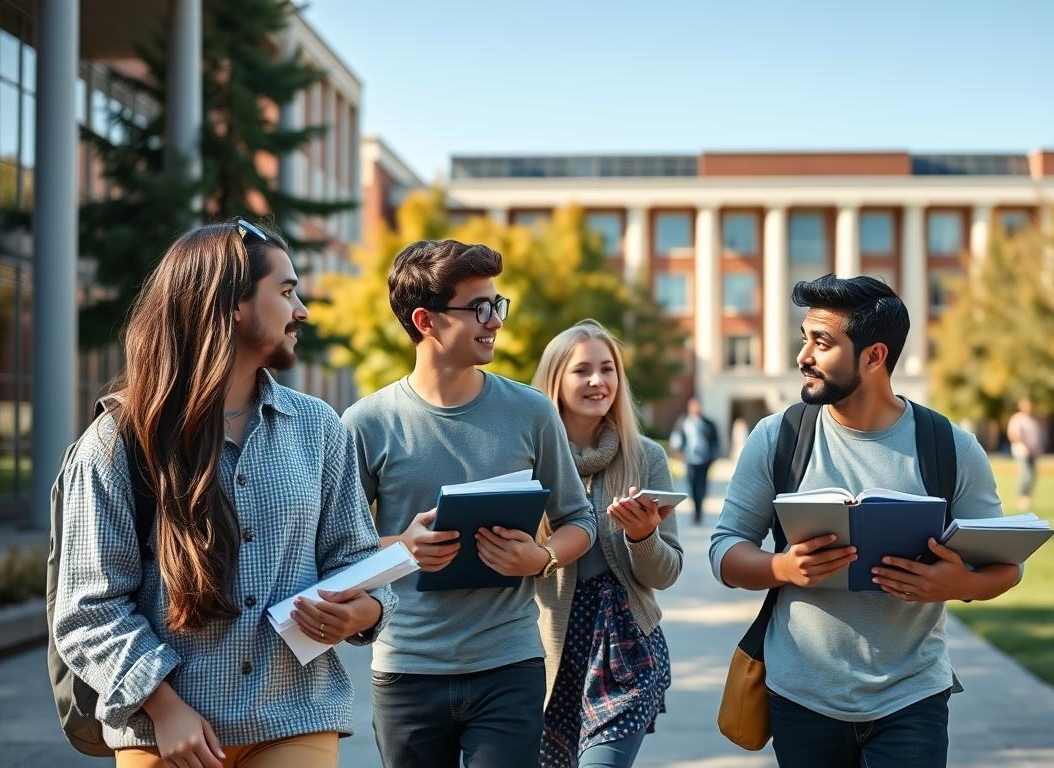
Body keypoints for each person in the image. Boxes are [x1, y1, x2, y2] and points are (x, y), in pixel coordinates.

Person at [53, 220, 395, 768]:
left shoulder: (318, 428)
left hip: (295, 716)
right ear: (232, 304)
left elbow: (353, 556)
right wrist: (164, 709)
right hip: (163, 733)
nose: (301, 310)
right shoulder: (118, 441)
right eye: (286, 292)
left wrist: (364, 610)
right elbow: (87, 608)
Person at [709, 274, 1020, 768]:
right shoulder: (778, 438)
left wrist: (959, 583)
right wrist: (781, 569)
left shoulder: (950, 447)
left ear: (874, 357)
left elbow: (1006, 567)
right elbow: (724, 551)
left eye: (822, 342)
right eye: (804, 339)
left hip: (912, 696)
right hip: (801, 695)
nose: (802, 356)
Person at [342, 239, 596, 767]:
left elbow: (579, 520)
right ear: (426, 320)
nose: (495, 321)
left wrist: (543, 557)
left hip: (510, 664)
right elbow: (336, 552)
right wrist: (401, 548)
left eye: (497, 305)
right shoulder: (366, 423)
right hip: (406, 671)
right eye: (480, 308)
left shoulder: (532, 412)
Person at [530, 320, 683, 768]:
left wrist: (643, 536)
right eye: (582, 371)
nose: (599, 381)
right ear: (555, 380)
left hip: (626, 647)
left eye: (608, 369)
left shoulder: (647, 457)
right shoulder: (528, 457)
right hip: (545, 650)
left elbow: (667, 573)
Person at [669, 397, 720, 524]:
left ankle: (699, 511)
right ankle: (695, 510)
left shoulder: (708, 423)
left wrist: (714, 455)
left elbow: (715, 441)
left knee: (702, 486)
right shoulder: (683, 422)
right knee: (692, 486)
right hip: (689, 460)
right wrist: (677, 452)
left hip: (704, 460)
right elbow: (676, 438)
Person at [1005, 397, 1044, 512]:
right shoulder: (1017, 419)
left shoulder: (1033, 420)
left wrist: (1037, 447)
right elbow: (1013, 434)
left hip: (1033, 452)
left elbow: (1036, 437)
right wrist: (1025, 444)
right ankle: (1020, 497)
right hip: (1022, 451)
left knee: (1033, 476)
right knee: (1025, 474)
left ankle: (1028, 498)